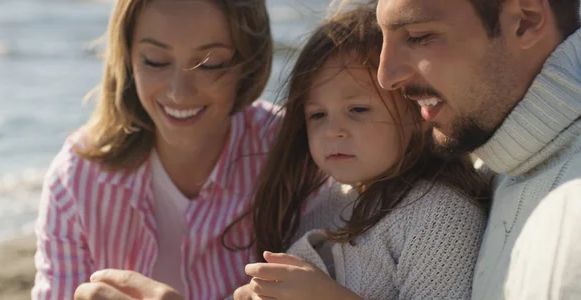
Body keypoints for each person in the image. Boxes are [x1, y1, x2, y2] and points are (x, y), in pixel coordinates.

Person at [235, 6, 490, 299]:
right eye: (317, 115)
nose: (333, 130)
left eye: (358, 109)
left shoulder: (442, 216)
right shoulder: (323, 203)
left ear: (420, 112)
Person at [32, 0, 282, 299]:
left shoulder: (287, 154)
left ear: (250, 63)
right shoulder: (75, 179)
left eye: (211, 63)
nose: (179, 91)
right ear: (126, 59)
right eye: (155, 60)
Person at [374, 0, 581, 298]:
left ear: (525, 21)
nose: (385, 77)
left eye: (418, 36)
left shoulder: (569, 229)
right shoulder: (497, 153)